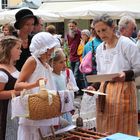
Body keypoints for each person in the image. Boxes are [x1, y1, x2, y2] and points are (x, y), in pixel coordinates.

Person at [87, 14, 140, 136]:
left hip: (124, 90)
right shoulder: (100, 48)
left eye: (104, 30)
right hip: (104, 92)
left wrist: (126, 74)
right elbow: (101, 73)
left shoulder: (126, 44)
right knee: (105, 126)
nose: (101, 34)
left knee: (123, 126)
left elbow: (139, 67)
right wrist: (94, 87)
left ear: (113, 27)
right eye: (98, 31)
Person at [14, 32, 60, 140]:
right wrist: (34, 84)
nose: (52, 52)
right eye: (50, 49)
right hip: (33, 110)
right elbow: (17, 85)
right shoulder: (32, 61)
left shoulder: (45, 64)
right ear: (42, 48)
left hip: (44, 109)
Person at [0, 36, 21, 140]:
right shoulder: (2, 72)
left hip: (15, 109)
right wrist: (19, 91)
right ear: (8, 49)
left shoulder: (12, 66)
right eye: (17, 48)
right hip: (5, 111)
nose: (20, 51)